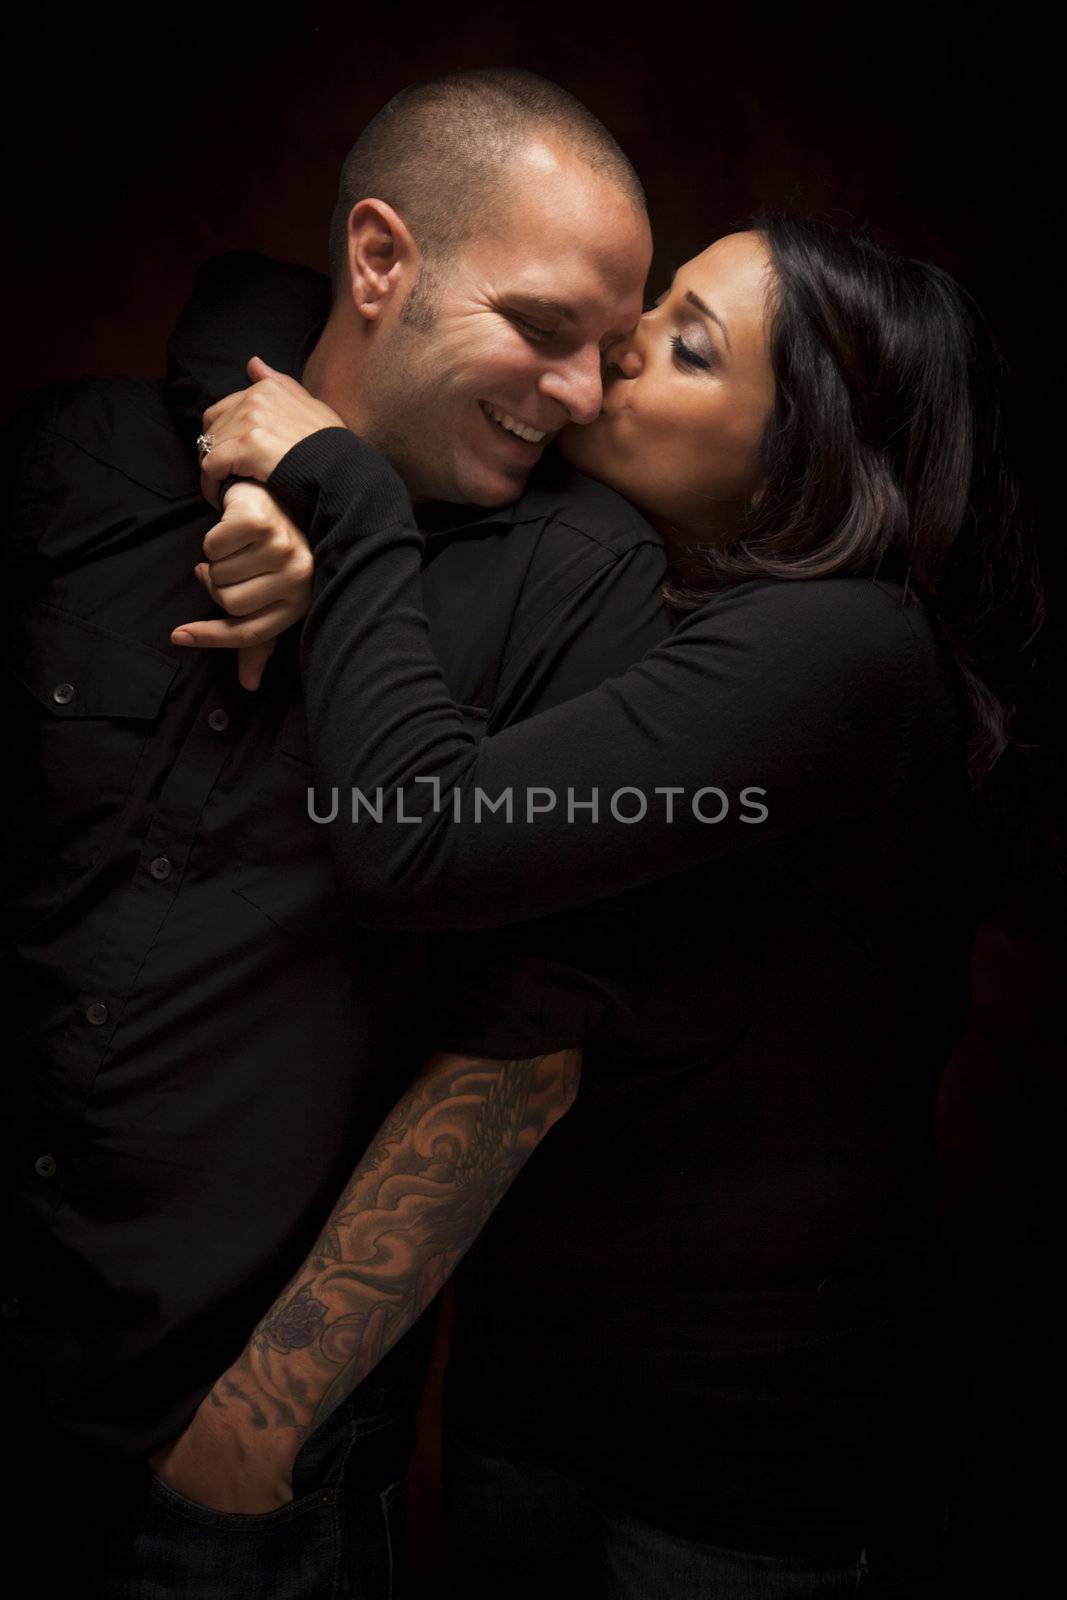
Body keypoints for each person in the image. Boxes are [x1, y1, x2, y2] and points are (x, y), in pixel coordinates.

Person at [181, 215, 1042, 1597]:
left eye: (682, 350)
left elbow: (419, 837)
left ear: (802, 454)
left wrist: (342, 492)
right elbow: (254, 300)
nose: (611, 360)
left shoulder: (847, 649)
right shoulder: (634, 592)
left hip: (742, 1459)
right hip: (535, 1396)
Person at [2, 68, 668, 1598]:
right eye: (544, 329)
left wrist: (254, 1431)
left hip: (225, 1486)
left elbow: (522, 1048)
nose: (581, 396)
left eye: (613, 353)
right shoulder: (83, 458)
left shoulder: (581, 582)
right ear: (381, 262)